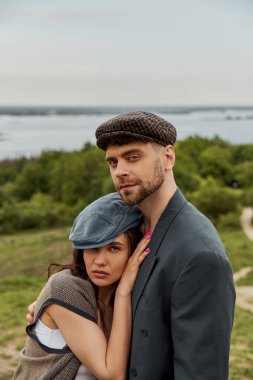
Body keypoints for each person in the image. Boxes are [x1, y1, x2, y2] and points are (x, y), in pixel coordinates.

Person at [28, 111, 236, 379]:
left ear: (168, 157)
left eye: (133, 157)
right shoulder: (132, 227)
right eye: (113, 162)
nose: (121, 170)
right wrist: (49, 308)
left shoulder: (198, 254)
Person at [15, 192, 151, 380]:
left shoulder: (128, 298)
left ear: (134, 251)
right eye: (93, 247)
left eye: (114, 248)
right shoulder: (66, 287)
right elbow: (113, 375)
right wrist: (122, 292)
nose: (100, 261)